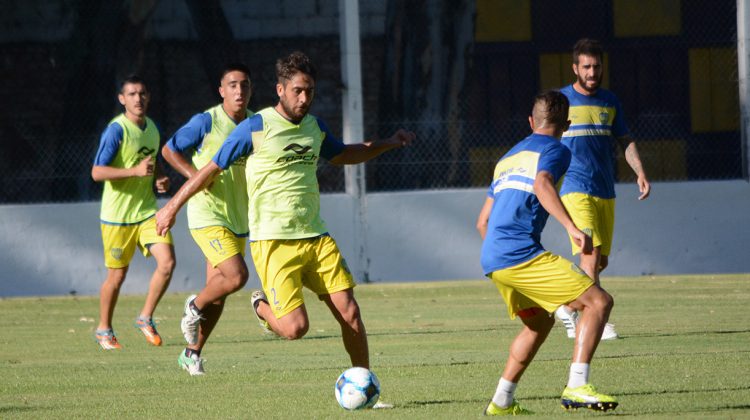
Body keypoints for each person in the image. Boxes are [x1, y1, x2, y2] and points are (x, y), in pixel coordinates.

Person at [155, 51, 415, 372]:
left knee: (350, 313)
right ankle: (262, 306)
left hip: (316, 237)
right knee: (295, 329)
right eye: (298, 91)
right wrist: (171, 207)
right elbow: (208, 170)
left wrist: (388, 142)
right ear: (280, 90)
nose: (305, 98)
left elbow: (344, 153)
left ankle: (366, 383)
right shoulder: (256, 127)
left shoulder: (314, 128)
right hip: (273, 242)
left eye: (310, 91)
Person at [476, 91, 618, 415]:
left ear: (530, 121)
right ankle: (578, 385)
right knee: (599, 302)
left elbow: (482, 221)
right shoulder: (556, 149)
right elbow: (542, 183)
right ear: (566, 125)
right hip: (518, 255)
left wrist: (502, 255)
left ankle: (501, 401)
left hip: (493, 258)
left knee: (538, 325)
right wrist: (572, 228)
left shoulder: (507, 159)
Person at [555, 38, 651, 340]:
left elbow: (625, 140)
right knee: (590, 254)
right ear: (575, 68)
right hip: (574, 188)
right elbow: (544, 139)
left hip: (604, 191)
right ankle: (592, 318)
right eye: (586, 67)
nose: (592, 72)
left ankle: (567, 307)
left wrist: (640, 172)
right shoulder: (561, 101)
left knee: (600, 260)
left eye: (597, 66)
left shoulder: (610, 101)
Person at [161, 63, 254, 375]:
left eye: (244, 85)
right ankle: (193, 307)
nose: (239, 90)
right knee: (237, 276)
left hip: (238, 217)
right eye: (232, 85)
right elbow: (169, 150)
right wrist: (195, 176)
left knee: (220, 287)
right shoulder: (206, 121)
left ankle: (191, 353)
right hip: (207, 214)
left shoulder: (256, 123)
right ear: (221, 90)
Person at [91, 75, 175, 350]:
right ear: (122, 99)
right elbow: (97, 172)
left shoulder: (152, 127)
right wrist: (135, 172)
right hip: (118, 217)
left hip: (147, 212)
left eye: (142, 93)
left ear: (148, 97)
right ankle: (104, 328)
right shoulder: (116, 130)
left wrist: (159, 179)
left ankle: (145, 317)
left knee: (167, 262)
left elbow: (152, 163)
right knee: (117, 277)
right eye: (131, 94)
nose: (138, 99)